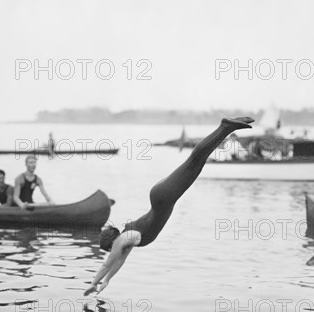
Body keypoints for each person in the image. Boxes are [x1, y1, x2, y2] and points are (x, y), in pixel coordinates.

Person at [85, 117, 254, 296]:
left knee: (195, 160)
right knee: (197, 162)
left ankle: (226, 127)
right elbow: (118, 263)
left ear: (111, 243)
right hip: (162, 196)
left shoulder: (121, 242)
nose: (113, 253)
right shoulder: (126, 242)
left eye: (110, 250)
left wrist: (93, 283)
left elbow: (107, 263)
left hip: (164, 196)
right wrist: (106, 281)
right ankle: (228, 128)